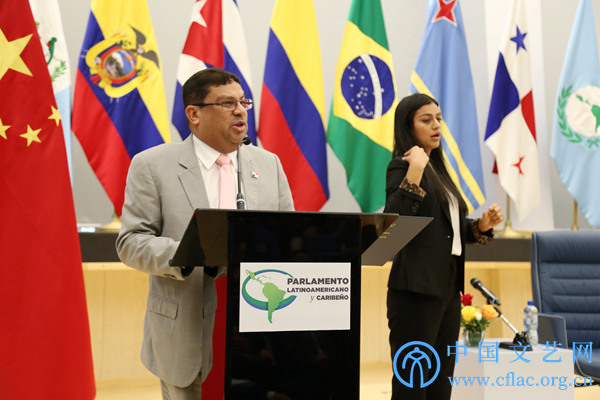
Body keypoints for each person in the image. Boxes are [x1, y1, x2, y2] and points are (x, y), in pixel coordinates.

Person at [116, 67, 294, 399]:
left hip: (258, 331)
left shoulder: (268, 164)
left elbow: (288, 235)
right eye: (227, 103)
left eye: (243, 102)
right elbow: (131, 242)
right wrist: (188, 253)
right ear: (194, 114)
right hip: (185, 329)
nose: (240, 111)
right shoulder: (152, 165)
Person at [383, 93, 504, 400]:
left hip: (447, 289)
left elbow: (447, 231)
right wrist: (414, 170)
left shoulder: (438, 170)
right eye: (426, 120)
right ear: (408, 127)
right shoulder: (402, 166)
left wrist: (480, 226)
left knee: (441, 383)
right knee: (413, 385)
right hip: (415, 291)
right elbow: (394, 223)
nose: (436, 125)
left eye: (438, 118)